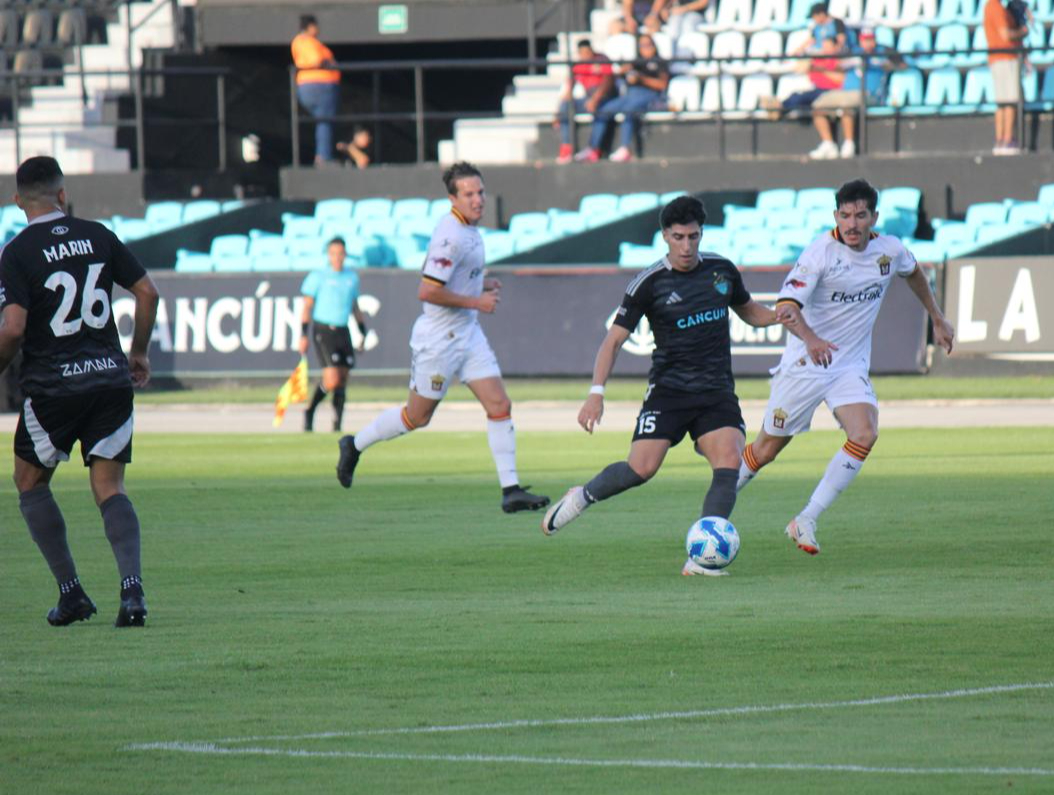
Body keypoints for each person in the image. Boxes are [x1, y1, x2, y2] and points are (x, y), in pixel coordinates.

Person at [540, 195, 780, 578]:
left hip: (716, 391)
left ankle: (702, 557)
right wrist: (595, 394)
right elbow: (613, 341)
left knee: (729, 461)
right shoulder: (648, 283)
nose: (687, 246)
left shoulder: (722, 271)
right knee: (641, 468)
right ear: (665, 236)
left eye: (694, 237)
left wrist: (779, 315)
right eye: (679, 237)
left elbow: (750, 311)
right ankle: (582, 496)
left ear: (702, 234)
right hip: (669, 392)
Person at [736, 179, 955, 556]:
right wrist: (811, 339)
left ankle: (806, 518)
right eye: (845, 215)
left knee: (865, 433)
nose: (852, 224)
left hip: (848, 365)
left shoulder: (890, 250)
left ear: (875, 217)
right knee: (766, 450)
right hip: (806, 364)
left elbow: (914, 272)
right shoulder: (820, 253)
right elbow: (786, 306)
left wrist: (937, 316)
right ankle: (717, 500)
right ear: (835, 215)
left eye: (860, 215)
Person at [0, 156, 160, 627]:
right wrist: (139, 352)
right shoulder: (98, 235)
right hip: (110, 379)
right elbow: (147, 292)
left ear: (18, 203)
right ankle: (132, 594)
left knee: (30, 483)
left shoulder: (16, 252)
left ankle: (72, 594)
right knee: (110, 487)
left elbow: (12, 328)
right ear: (63, 195)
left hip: (53, 387)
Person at [336, 162, 549, 514]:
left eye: (480, 192)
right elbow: (427, 291)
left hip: (468, 332)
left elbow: (453, 282)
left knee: (499, 406)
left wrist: (481, 285)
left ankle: (510, 490)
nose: (478, 199)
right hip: (439, 340)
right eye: (469, 194)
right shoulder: (450, 237)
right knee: (416, 418)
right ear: (453, 198)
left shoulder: (469, 230)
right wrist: (477, 300)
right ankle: (355, 444)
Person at [298, 237, 369, 433]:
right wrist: (304, 335)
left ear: (345, 254)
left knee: (343, 377)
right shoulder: (318, 276)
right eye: (334, 253)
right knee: (332, 379)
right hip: (323, 329)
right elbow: (307, 307)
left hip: (342, 329)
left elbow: (354, 306)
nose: (337, 257)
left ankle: (337, 423)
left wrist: (362, 329)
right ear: (328, 255)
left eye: (341, 253)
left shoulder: (351, 278)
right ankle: (310, 411)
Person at [808, 27, 904, 158]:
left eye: (871, 40)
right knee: (818, 105)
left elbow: (902, 65)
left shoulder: (883, 53)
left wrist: (883, 64)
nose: (868, 43)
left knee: (847, 105)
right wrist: (850, 61)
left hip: (868, 93)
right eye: (865, 40)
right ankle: (828, 143)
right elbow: (837, 65)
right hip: (845, 91)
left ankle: (849, 143)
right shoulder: (853, 53)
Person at [580, 33, 670, 163]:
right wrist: (623, 71)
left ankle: (625, 148)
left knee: (629, 109)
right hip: (630, 95)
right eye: (642, 45)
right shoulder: (635, 62)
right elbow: (615, 75)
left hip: (650, 96)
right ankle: (593, 148)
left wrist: (641, 79)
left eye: (648, 45)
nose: (646, 48)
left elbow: (662, 84)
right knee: (604, 109)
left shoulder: (659, 62)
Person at [291, 14, 341, 166]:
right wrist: (328, 62)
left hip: (314, 86)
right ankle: (323, 157)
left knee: (323, 121)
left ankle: (323, 155)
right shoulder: (307, 42)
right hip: (319, 86)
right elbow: (316, 59)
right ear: (310, 26)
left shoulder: (302, 42)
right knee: (324, 120)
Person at [556, 39, 615, 164]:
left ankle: (594, 148)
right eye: (582, 53)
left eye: (588, 52)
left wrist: (595, 99)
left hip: (605, 97)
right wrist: (558, 113)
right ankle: (567, 146)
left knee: (602, 111)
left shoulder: (602, 59)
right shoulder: (578, 65)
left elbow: (608, 81)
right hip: (589, 99)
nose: (586, 55)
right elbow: (569, 89)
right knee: (566, 106)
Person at [984, 0, 1028, 155]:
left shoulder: (994, 7)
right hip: (1006, 58)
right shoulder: (995, 8)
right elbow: (1006, 35)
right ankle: (1008, 139)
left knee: (1002, 102)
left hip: (998, 59)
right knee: (1009, 101)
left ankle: (1001, 140)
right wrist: (1022, 32)